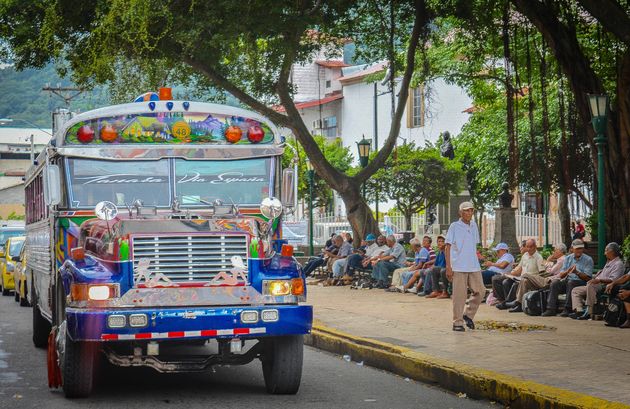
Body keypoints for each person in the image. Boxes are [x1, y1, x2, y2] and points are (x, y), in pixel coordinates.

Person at [445, 201, 484, 332]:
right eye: (466, 210)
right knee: (459, 297)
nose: (469, 213)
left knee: (481, 291)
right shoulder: (454, 226)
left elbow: (474, 245)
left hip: (473, 265)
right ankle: (457, 323)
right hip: (458, 266)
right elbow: (448, 246)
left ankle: (468, 315)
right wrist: (449, 267)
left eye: (471, 210)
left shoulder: (473, 225)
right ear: (460, 212)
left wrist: (481, 259)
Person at [570, 242, 625, 320]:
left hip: (605, 285)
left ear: (612, 252)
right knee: (575, 290)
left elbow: (613, 279)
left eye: (606, 250)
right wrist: (596, 277)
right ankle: (579, 311)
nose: (604, 253)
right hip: (596, 285)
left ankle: (589, 311)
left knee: (591, 285)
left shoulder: (618, 264)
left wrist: (598, 280)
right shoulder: (609, 262)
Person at [508, 243, 568, 313]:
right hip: (548, 279)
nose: (553, 253)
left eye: (555, 251)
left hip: (549, 281)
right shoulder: (559, 260)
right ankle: (519, 304)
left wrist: (548, 260)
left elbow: (550, 271)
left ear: (559, 251)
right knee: (524, 281)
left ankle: (517, 302)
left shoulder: (562, 260)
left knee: (525, 275)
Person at [542, 239, 594, 317]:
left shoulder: (588, 259)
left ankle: (567, 309)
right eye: (577, 248)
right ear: (572, 249)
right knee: (555, 283)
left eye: (581, 248)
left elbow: (588, 278)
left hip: (580, 282)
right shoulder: (568, 258)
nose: (579, 250)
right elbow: (561, 275)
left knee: (571, 282)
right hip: (568, 280)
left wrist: (577, 272)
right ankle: (551, 309)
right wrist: (567, 271)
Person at [494, 239, 544, 310]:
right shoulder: (525, 256)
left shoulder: (538, 257)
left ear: (535, 247)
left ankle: (514, 304)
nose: (529, 249)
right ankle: (509, 303)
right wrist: (510, 274)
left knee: (516, 284)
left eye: (531, 247)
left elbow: (542, 274)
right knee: (506, 282)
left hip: (530, 280)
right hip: (521, 278)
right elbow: (519, 269)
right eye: (527, 247)